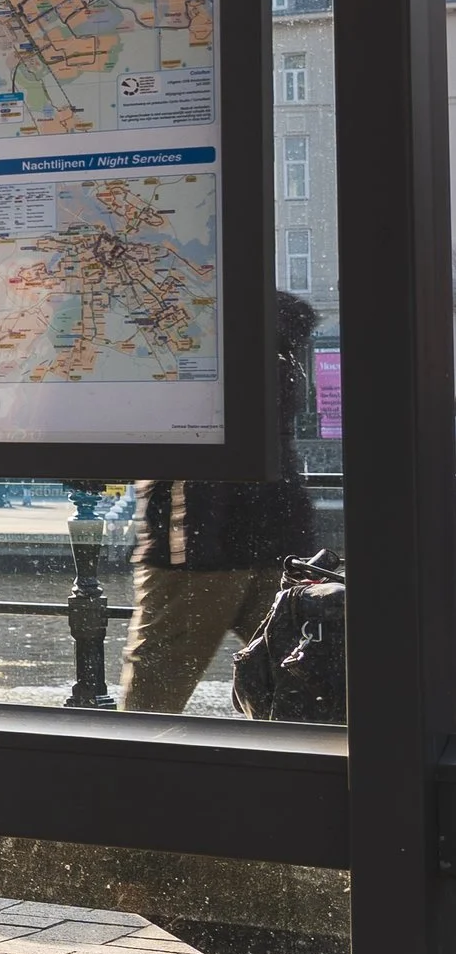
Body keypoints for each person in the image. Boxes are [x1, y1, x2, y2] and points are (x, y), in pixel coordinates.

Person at [119, 291, 322, 713]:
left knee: (152, 693)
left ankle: (133, 776)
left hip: (197, 549)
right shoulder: (280, 347)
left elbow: (186, 469)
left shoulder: (188, 341)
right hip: (280, 543)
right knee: (299, 683)